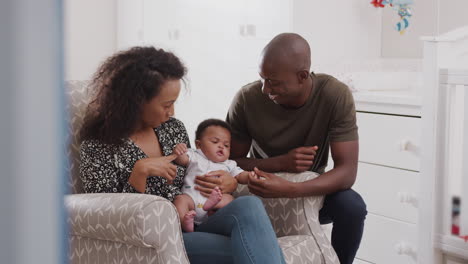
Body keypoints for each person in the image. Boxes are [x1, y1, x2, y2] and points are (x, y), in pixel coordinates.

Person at [79, 46, 286, 264]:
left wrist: (229, 182)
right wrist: (139, 172)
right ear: (136, 101)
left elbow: (197, 170)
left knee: (249, 206)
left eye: (174, 103)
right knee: (256, 246)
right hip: (160, 237)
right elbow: (107, 216)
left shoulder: (172, 128)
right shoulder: (99, 145)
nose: (172, 113)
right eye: (167, 105)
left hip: (197, 219)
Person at [226, 33, 367, 264]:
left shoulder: (334, 95)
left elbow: (347, 172)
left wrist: (291, 189)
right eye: (262, 78)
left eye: (273, 82)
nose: (264, 88)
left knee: (352, 207)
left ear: (302, 76)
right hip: (260, 188)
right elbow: (229, 162)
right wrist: (281, 163)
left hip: (307, 191)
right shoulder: (246, 99)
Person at [172, 118, 251, 232]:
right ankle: (186, 224)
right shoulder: (195, 155)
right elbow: (181, 160)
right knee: (180, 200)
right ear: (199, 144)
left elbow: (240, 175)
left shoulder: (229, 164)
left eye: (226, 145)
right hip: (192, 199)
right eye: (215, 142)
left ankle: (211, 207)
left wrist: (250, 176)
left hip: (215, 204)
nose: (221, 146)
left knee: (229, 199)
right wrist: (178, 151)